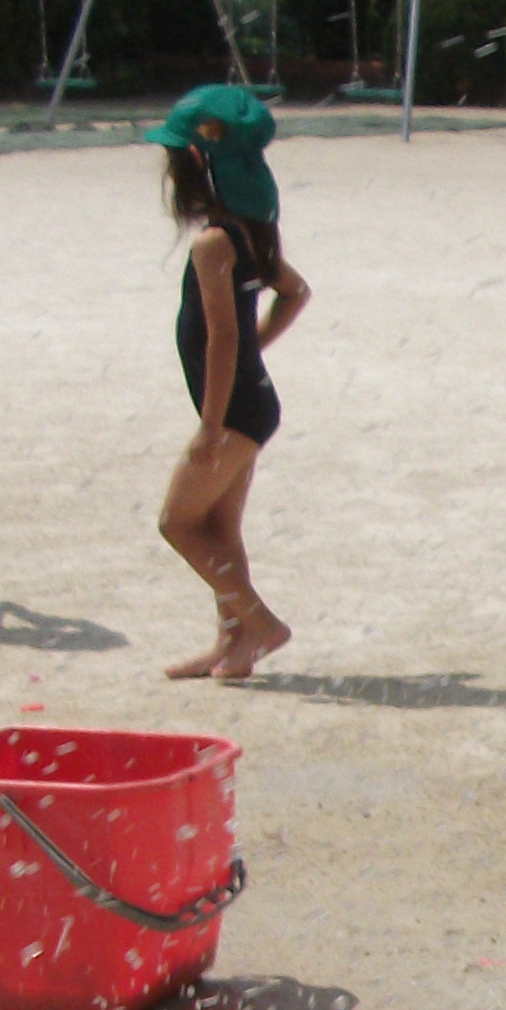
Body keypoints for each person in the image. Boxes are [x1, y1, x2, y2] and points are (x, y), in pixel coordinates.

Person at [145, 84, 307, 682]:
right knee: (218, 527)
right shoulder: (248, 234)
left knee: (177, 522)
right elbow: (295, 292)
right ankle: (232, 643)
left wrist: (210, 428)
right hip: (254, 401)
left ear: (196, 166)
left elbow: (222, 338)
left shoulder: (214, 244)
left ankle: (261, 624)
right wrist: (254, 353)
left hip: (235, 412)